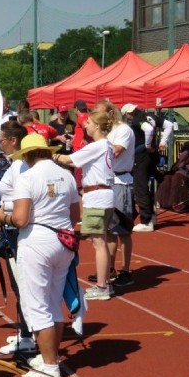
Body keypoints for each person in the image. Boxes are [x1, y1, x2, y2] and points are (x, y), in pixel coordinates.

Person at [0, 133, 80, 377]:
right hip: (63, 240)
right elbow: (74, 215)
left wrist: (1, 216)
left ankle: (50, 365)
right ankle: (48, 355)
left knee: (37, 305)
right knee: (53, 302)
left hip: (37, 241)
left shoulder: (27, 177)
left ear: (28, 156)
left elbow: (20, 219)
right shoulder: (66, 175)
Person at [0, 120, 33, 354]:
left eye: (1, 141)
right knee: (17, 282)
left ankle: (30, 334)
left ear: (13, 141)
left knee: (22, 282)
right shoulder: (15, 165)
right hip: (10, 228)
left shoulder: (21, 166)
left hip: (15, 230)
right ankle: (25, 329)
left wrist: (2, 211)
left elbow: (24, 199)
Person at [53, 110, 116, 301]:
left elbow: (69, 160)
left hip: (97, 196)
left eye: (88, 122)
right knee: (101, 241)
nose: (85, 125)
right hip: (103, 195)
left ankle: (102, 286)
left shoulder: (98, 146)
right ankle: (105, 283)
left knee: (98, 243)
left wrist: (50, 155)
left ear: (97, 126)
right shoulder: (106, 145)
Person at [93, 99, 136, 289]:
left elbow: (115, 152)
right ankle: (109, 268)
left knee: (123, 230)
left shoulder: (123, 130)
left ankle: (125, 270)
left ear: (110, 113)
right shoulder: (106, 132)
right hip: (108, 182)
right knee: (109, 229)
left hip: (121, 181)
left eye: (99, 113)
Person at [121, 104, 157, 232]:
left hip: (142, 156)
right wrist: (160, 142)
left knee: (140, 187)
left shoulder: (137, 120)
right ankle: (151, 215)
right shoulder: (149, 116)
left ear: (127, 114)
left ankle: (146, 220)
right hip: (151, 155)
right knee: (145, 187)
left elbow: (149, 130)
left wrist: (147, 145)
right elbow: (168, 125)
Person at [155, 141, 189, 213]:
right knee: (166, 178)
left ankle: (176, 202)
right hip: (179, 172)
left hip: (187, 174)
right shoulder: (185, 155)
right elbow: (177, 166)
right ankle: (159, 200)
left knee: (176, 178)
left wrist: (187, 158)